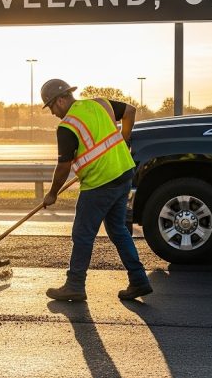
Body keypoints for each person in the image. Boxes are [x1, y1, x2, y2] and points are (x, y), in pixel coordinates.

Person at [39, 79, 152, 302]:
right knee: (118, 230)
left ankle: (74, 285)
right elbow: (130, 111)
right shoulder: (100, 103)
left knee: (82, 234)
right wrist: (123, 139)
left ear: (61, 100)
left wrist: (52, 193)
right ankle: (139, 280)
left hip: (100, 183)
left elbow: (63, 166)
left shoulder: (67, 126)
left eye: (51, 106)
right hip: (123, 173)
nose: (52, 113)